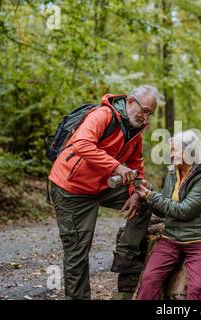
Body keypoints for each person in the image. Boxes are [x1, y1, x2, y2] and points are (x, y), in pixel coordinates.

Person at [48, 85, 160, 299]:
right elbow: (81, 145)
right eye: (144, 110)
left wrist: (135, 191)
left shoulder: (136, 130)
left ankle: (125, 256)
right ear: (130, 102)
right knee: (77, 252)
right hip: (72, 188)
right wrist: (117, 167)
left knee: (147, 195)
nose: (146, 117)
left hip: (103, 184)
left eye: (150, 114)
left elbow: (136, 164)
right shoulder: (103, 115)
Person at [134, 130, 201, 300]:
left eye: (175, 150)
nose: (171, 154)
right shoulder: (172, 173)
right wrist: (148, 191)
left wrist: (151, 196)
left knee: (196, 288)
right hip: (170, 238)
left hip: (199, 240)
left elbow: (184, 211)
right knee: (149, 280)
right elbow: (164, 210)